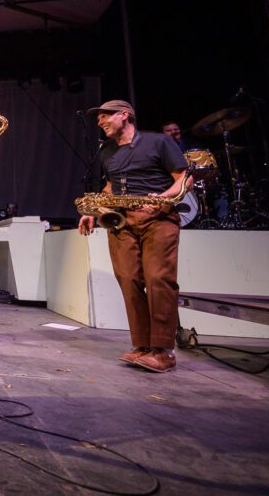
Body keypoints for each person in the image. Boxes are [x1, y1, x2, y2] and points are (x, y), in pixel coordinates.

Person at [78, 100, 191, 373]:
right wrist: (94, 210)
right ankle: (142, 346)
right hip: (122, 220)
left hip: (158, 218)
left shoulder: (159, 142)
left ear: (124, 115)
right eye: (98, 118)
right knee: (128, 280)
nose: (99, 122)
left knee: (157, 279)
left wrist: (163, 197)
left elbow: (185, 177)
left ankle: (163, 350)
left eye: (105, 116)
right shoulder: (107, 151)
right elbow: (110, 185)